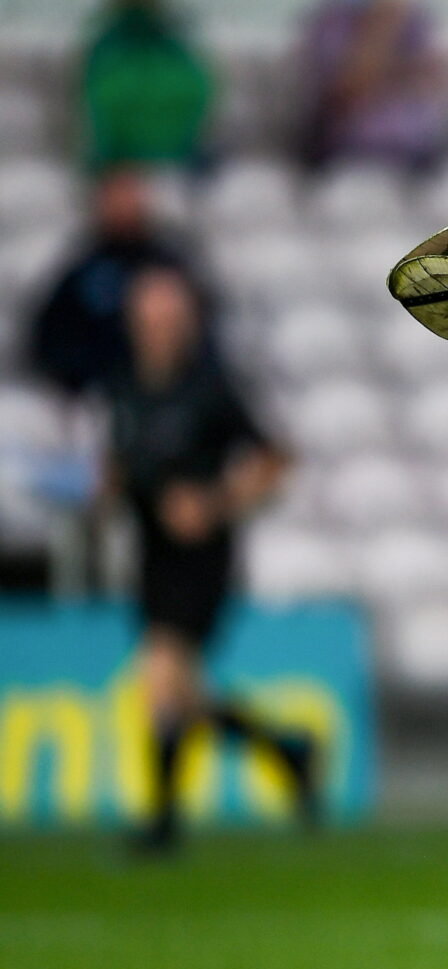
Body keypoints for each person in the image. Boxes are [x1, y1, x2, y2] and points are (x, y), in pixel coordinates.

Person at [106, 268, 313, 853]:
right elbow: (121, 468)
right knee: (182, 693)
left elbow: (276, 459)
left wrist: (214, 503)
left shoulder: (210, 387)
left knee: (161, 675)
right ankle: (287, 752)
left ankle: (162, 823)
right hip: (150, 552)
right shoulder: (123, 388)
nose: (159, 330)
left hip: (202, 557)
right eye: (150, 318)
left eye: (169, 318)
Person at [25, 168, 203, 398]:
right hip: (99, 392)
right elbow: (50, 338)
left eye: (130, 192)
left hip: (168, 391)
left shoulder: (169, 262)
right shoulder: (83, 269)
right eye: (115, 194)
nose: (124, 203)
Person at [294, 0, 447, 170]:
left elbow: (431, 75)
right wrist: (382, 28)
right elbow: (344, 89)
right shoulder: (328, 20)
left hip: (415, 149)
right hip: (350, 149)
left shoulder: (415, 16)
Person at [78, 0, 216, 172]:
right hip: (119, 165)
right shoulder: (106, 45)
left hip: (176, 156)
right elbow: (96, 113)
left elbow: (199, 93)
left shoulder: (176, 42)